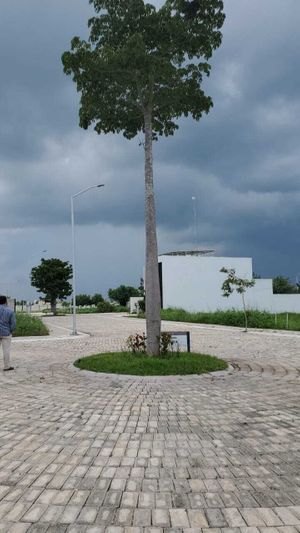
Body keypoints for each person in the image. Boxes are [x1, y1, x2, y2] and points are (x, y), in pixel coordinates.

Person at [0, 295, 16, 371]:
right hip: (6, 333)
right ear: (6, 301)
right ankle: (6, 366)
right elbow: (13, 324)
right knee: (6, 350)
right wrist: (11, 331)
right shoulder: (10, 311)